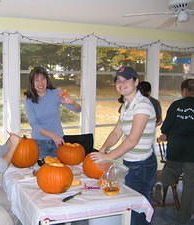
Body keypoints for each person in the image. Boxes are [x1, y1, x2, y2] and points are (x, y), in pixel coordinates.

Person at [90, 66, 157, 225]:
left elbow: (132, 140)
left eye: (126, 79)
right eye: (118, 81)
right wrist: (102, 149)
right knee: (130, 208)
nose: (122, 84)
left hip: (142, 165)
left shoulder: (142, 105)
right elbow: (116, 132)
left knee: (136, 213)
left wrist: (107, 157)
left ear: (136, 82)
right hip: (131, 163)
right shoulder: (127, 106)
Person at [153, 79, 194, 225]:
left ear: (183, 91)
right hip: (192, 151)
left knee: (171, 169)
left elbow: (165, 129)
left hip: (176, 147)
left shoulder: (176, 105)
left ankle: (160, 183)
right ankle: (184, 217)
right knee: (190, 185)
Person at [24, 66, 81, 158]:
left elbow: (78, 110)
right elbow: (34, 125)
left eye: (43, 79)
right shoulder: (29, 100)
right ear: (32, 83)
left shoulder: (56, 93)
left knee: (59, 169)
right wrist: (52, 136)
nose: (40, 83)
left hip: (58, 141)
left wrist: (73, 103)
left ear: (47, 80)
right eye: (37, 80)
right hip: (39, 142)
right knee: (42, 170)